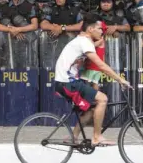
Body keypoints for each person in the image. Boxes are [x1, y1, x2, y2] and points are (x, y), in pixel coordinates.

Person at [54, 13, 131, 146]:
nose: (102, 32)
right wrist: (120, 80)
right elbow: (100, 65)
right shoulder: (84, 42)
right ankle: (97, 137)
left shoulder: (82, 41)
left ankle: (73, 136)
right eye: (100, 29)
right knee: (103, 99)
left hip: (66, 82)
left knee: (91, 108)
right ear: (90, 29)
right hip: (67, 83)